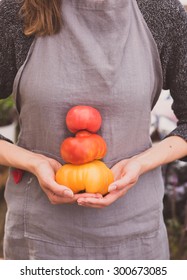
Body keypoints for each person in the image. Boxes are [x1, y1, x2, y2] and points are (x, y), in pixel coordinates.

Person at [0, 0, 187, 260]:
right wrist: (33, 162)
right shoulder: (18, 10)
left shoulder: (160, 11)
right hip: (41, 238)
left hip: (135, 237)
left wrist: (141, 164)